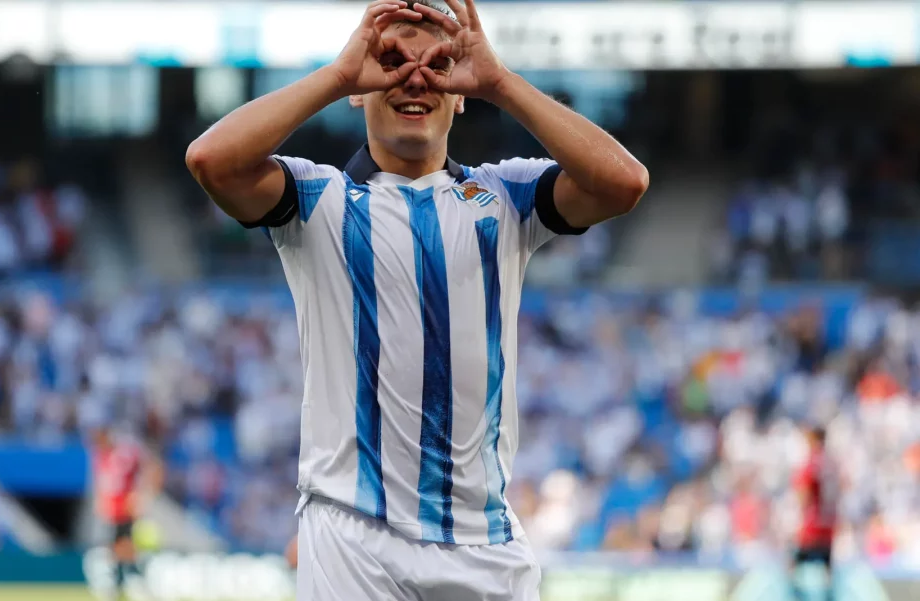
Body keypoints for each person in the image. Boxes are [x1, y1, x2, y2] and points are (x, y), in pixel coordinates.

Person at [185, 1, 647, 598]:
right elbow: (209, 160)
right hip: (352, 538)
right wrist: (337, 74)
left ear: (460, 92)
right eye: (392, 60)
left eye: (438, 63)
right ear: (361, 87)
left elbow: (625, 182)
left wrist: (500, 83)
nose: (414, 77)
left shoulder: (505, 195)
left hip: (485, 544)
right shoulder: (316, 199)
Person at [91, 428, 164, 601]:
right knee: (117, 546)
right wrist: (102, 503)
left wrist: (143, 494)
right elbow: (105, 485)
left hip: (126, 510)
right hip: (112, 512)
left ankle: (133, 580)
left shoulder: (123, 455)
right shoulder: (102, 458)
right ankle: (124, 581)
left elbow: (150, 465)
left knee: (124, 545)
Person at [793, 427, 837, 601]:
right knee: (827, 567)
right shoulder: (832, 463)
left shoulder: (811, 463)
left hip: (812, 523)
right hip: (829, 523)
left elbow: (803, 495)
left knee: (795, 562)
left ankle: (796, 595)